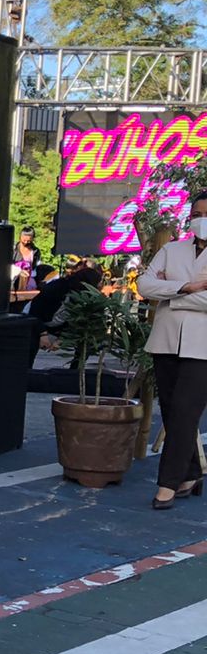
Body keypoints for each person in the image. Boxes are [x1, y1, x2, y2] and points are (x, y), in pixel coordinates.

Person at [138, 193, 207, 509]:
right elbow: (144, 286)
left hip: (201, 346)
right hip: (165, 340)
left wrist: (170, 293)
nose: (201, 219)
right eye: (196, 213)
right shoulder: (171, 249)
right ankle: (191, 473)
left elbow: (158, 290)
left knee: (184, 410)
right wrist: (186, 287)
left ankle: (168, 482)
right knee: (170, 408)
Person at [28, 264, 100, 352]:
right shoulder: (57, 287)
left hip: (57, 329)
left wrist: (62, 338)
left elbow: (76, 322)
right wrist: (42, 334)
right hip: (36, 323)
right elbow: (35, 310)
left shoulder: (83, 297)